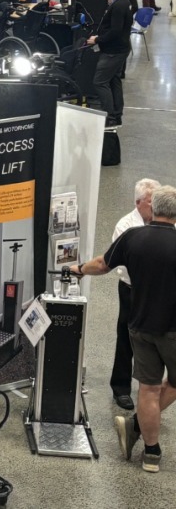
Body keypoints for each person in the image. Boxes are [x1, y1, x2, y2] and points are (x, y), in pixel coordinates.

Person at [67, 184, 176, 474]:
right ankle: (136, 427)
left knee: (148, 389)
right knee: (172, 385)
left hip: (139, 324)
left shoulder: (133, 237)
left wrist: (78, 269)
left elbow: (103, 265)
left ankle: (151, 453)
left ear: (154, 209)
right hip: (173, 330)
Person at [109, 179, 162, 412]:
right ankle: (120, 387)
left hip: (159, 290)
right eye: (151, 203)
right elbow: (120, 266)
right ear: (138, 202)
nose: (155, 208)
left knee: (156, 338)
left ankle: (150, 387)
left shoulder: (166, 223)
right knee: (126, 336)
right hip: (132, 290)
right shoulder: (125, 226)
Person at [88, 0, 133, 127]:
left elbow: (115, 31)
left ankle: (109, 115)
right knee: (114, 80)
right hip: (120, 49)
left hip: (114, 51)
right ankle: (116, 115)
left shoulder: (120, 5)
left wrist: (97, 39)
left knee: (100, 82)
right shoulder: (122, 2)